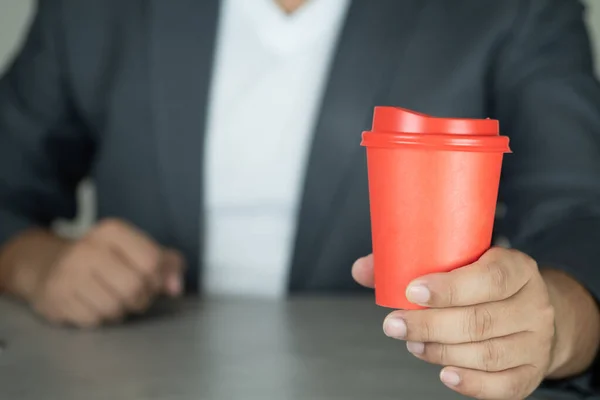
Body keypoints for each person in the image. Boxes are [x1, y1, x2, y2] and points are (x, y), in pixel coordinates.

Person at [0, 0, 599, 398]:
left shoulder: (515, 10)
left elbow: (582, 215)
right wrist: (36, 262)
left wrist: (557, 325)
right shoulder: (92, 11)